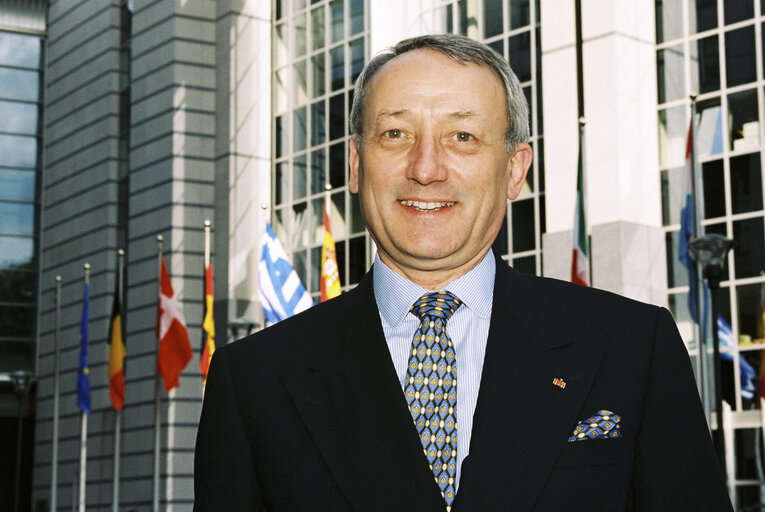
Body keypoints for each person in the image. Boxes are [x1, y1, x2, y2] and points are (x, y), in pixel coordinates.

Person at [194, 34, 732, 511]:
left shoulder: (634, 349)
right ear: (356, 165)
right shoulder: (253, 382)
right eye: (395, 135)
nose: (426, 169)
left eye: (463, 138)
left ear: (514, 170)